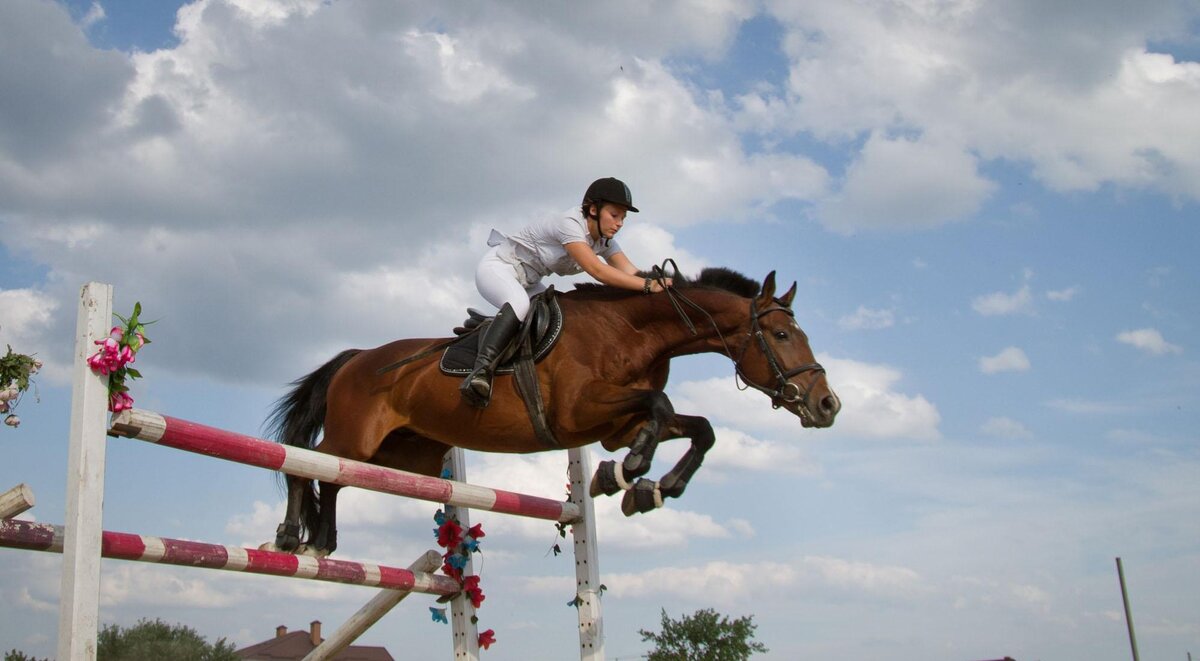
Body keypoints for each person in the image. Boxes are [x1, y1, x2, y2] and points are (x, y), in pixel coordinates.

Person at [460, 176, 672, 407]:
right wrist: (647, 286)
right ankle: (480, 373)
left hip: (529, 282)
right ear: (593, 209)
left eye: (623, 217)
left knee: (558, 315)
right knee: (519, 304)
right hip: (499, 268)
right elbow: (597, 270)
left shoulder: (604, 241)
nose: (619, 223)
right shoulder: (569, 225)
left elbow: (631, 272)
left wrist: (662, 284)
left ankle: (500, 337)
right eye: (614, 215)